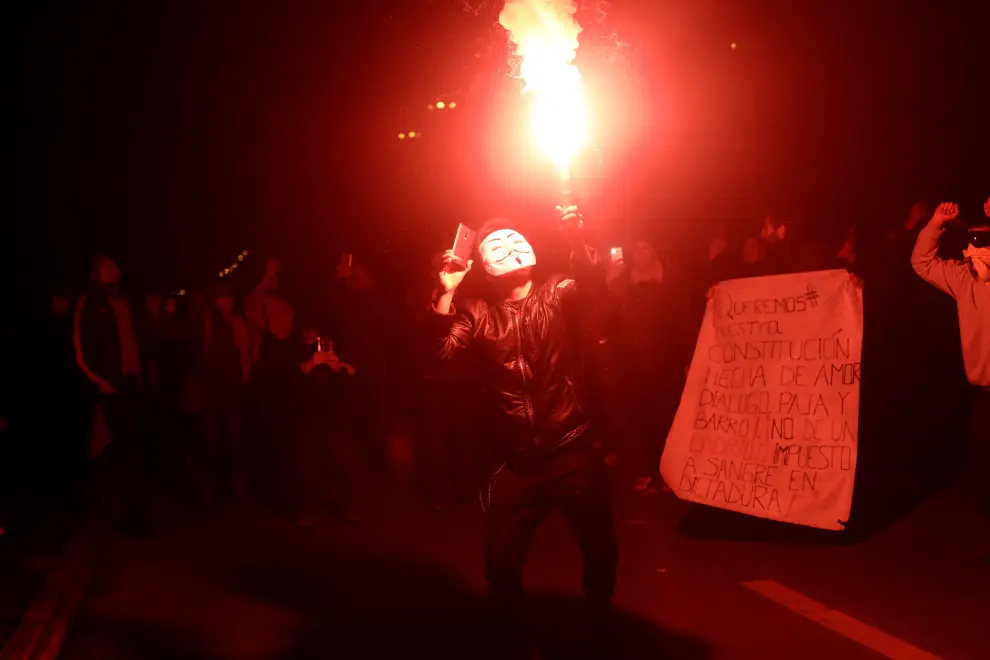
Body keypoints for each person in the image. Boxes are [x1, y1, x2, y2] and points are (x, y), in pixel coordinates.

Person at [429, 204, 618, 637]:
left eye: (518, 238)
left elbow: (592, 284)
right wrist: (445, 294)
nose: (511, 246)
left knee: (598, 543)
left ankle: (600, 617)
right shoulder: (477, 311)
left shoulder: (556, 291)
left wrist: (574, 237)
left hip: (570, 446)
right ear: (484, 267)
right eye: (497, 244)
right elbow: (441, 354)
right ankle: (509, 635)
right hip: (516, 460)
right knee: (499, 560)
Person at [911, 200, 990, 512]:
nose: (975, 248)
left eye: (983, 241)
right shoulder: (963, 278)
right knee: (982, 462)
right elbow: (922, 263)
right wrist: (935, 224)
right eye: (970, 241)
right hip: (983, 394)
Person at [72, 255, 148, 534]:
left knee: (130, 448)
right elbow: (80, 348)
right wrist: (99, 381)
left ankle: (130, 515)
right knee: (118, 449)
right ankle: (123, 516)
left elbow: (134, 339)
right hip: (110, 385)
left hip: (131, 383)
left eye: (115, 265)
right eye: (106, 266)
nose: (113, 269)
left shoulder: (125, 300)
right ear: (94, 274)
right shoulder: (90, 302)